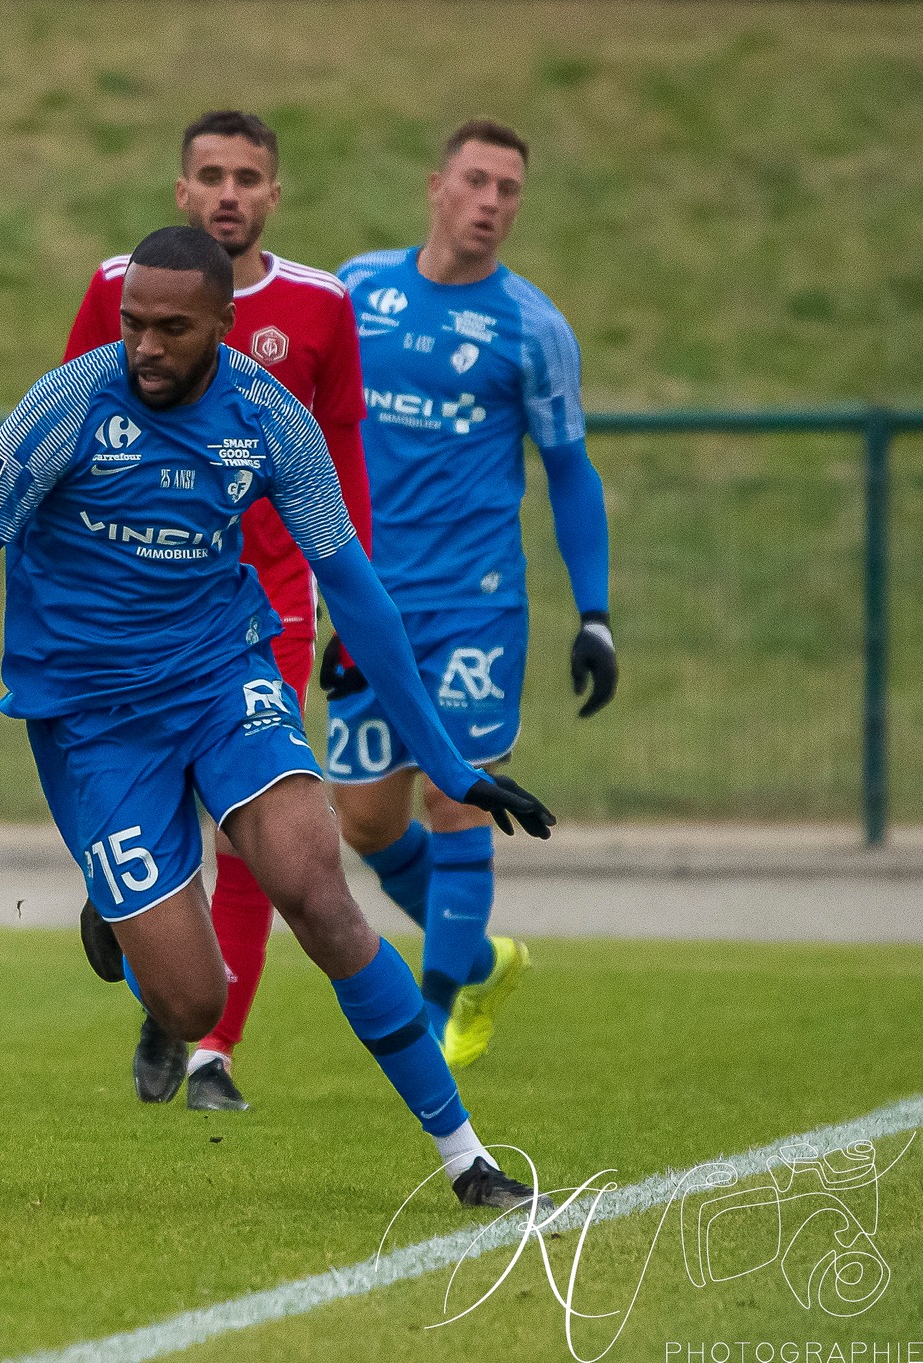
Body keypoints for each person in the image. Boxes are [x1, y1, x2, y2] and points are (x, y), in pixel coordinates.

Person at [0, 225, 556, 1210]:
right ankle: (131, 930)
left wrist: (448, 766)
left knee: (315, 889)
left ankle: (466, 1159)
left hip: (219, 680)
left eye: (170, 327)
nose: (143, 345)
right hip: (89, 721)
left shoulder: (268, 418)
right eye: (131, 323)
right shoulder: (62, 410)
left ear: (222, 325)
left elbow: (354, 590)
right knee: (193, 1001)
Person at [62, 109, 372, 1113]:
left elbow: (339, 464)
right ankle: (144, 914)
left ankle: (208, 1049)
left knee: (251, 825)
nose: (229, 191)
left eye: (248, 176)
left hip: (264, 608)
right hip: (135, 609)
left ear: (273, 195)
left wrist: (354, 613)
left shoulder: (320, 306)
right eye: (210, 174)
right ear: (180, 192)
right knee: (169, 803)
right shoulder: (119, 289)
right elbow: (61, 427)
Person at [327, 120, 615, 1069]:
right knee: (366, 819)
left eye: (511, 190)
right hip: (370, 603)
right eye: (479, 182)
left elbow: (570, 472)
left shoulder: (532, 328)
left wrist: (596, 613)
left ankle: (438, 1010)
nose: (493, 203)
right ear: (437, 186)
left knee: (460, 800)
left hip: (475, 604)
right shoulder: (357, 291)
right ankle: (478, 958)